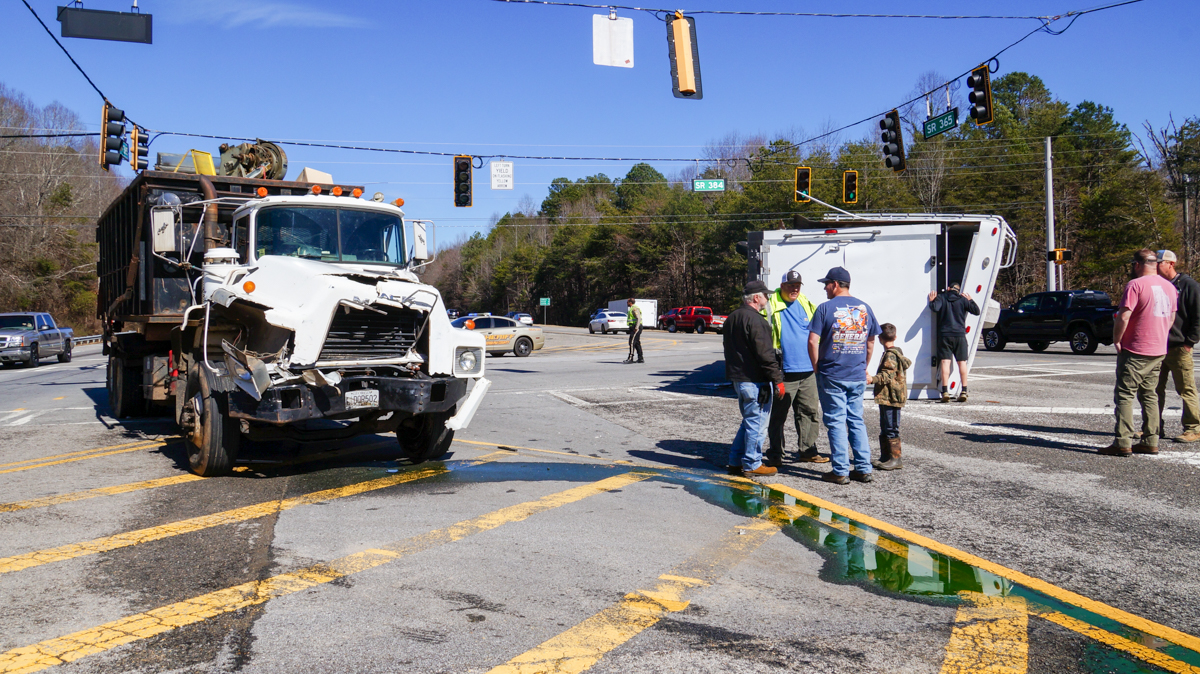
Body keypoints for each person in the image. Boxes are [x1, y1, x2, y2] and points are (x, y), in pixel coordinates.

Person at [807, 267, 881, 485]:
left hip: (832, 372)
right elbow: (870, 342)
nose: (825, 288)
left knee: (836, 421)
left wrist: (816, 366)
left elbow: (812, 341)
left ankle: (840, 470)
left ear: (836, 284)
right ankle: (863, 468)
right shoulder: (865, 308)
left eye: (826, 284)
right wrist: (864, 366)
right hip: (856, 373)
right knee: (856, 420)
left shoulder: (824, 308)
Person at [1101, 249, 1177, 457]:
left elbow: (1124, 316)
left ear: (1137, 264)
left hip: (1136, 348)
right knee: (1150, 395)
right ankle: (1151, 440)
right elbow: (1171, 318)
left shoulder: (1135, 285)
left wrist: (1117, 339)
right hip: (1158, 348)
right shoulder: (1169, 287)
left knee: (1125, 394)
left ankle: (1122, 442)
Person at [762, 270, 826, 466]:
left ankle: (808, 450)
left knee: (809, 412)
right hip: (784, 372)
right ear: (782, 286)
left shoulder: (805, 302)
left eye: (797, 286)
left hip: (808, 370)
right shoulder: (770, 305)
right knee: (778, 415)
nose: (795, 289)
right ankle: (776, 454)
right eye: (791, 285)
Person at [723, 280, 785, 477]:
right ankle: (752, 463)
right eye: (765, 295)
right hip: (755, 380)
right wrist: (777, 379)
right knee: (757, 424)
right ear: (756, 298)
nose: (767, 299)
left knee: (749, 422)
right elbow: (765, 354)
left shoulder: (732, 318)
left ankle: (735, 460)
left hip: (739, 379)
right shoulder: (757, 321)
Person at [1155, 250, 1200, 443]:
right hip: (1157, 346)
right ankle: (1154, 428)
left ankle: (1193, 428)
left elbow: (1198, 316)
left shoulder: (1189, 285)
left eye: (1158, 263)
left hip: (1179, 346)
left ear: (1170, 264)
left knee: (1186, 389)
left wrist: (1189, 342)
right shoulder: (1157, 285)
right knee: (1153, 390)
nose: (1155, 267)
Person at [928, 282, 980, 402]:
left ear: (948, 288)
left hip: (945, 335)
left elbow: (935, 308)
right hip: (960, 335)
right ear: (958, 290)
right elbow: (976, 311)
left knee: (945, 362)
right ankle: (964, 391)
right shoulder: (963, 300)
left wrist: (932, 301)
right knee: (962, 363)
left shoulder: (941, 297)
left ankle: (945, 391)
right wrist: (970, 300)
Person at [869, 323, 910, 470]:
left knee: (891, 427)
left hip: (891, 397)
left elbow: (887, 374)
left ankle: (895, 459)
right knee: (885, 426)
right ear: (895, 337)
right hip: (889, 396)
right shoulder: (896, 352)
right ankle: (885, 457)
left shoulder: (891, 355)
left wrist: (872, 379)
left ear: (880, 339)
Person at [623, 298, 644, 364]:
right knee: (636, 342)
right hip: (633, 327)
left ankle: (630, 358)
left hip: (636, 327)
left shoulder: (634, 308)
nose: (627, 303)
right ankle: (640, 358)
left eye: (627, 302)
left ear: (630, 302)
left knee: (632, 342)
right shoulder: (631, 308)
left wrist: (636, 327)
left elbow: (638, 318)